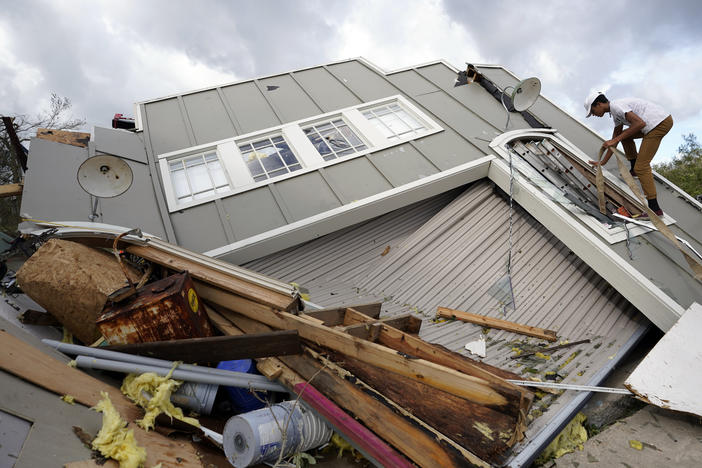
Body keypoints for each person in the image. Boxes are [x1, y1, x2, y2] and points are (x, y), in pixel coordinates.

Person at [584, 91, 673, 216]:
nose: (593, 115)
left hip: (659, 123)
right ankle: (634, 168)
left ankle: (655, 209)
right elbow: (615, 139)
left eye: (592, 111)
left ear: (598, 104)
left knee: (642, 167)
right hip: (655, 122)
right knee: (624, 137)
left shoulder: (616, 106)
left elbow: (640, 123)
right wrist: (602, 162)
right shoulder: (615, 113)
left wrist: (615, 139)